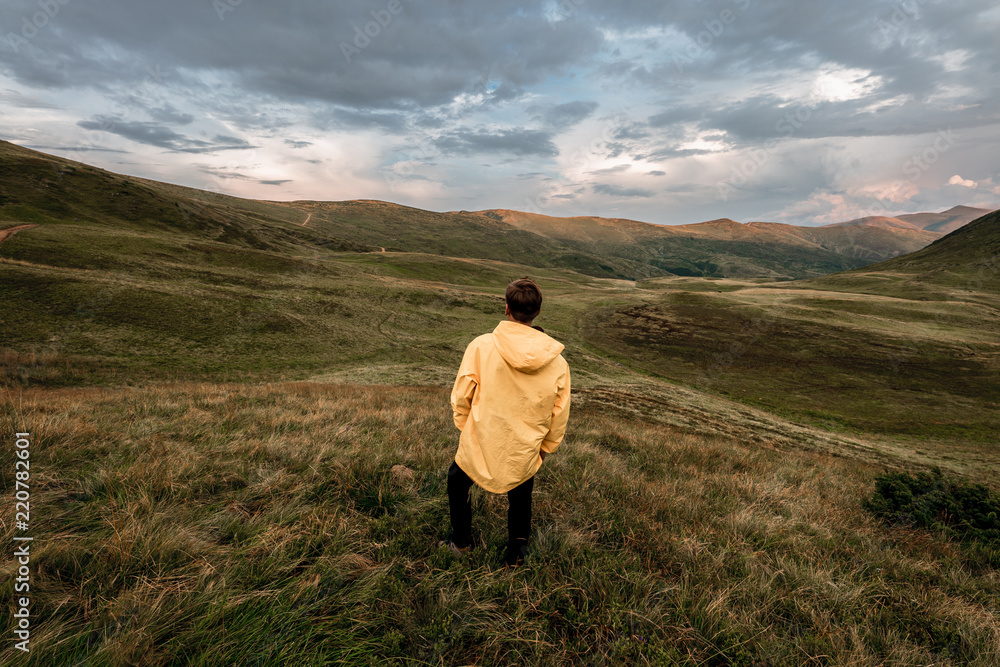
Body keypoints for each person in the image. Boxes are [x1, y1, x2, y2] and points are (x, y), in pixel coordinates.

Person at [439, 277, 571, 567]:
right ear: (537, 312)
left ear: (507, 307)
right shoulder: (557, 362)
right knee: (521, 494)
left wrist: (466, 427)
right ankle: (516, 554)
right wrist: (545, 448)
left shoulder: (481, 346)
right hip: (525, 445)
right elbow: (559, 413)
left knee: (457, 481)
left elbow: (462, 394)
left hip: (481, 437)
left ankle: (461, 542)